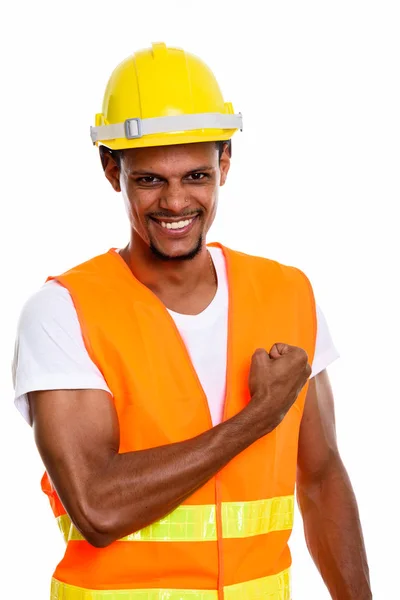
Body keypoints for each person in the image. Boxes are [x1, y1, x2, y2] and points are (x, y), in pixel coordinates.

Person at [12, 42, 371, 599]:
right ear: (113, 170)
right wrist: (257, 418)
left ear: (225, 164)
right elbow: (97, 507)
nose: (176, 202)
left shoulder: (287, 294)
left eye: (197, 175)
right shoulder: (63, 312)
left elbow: (322, 478)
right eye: (151, 179)